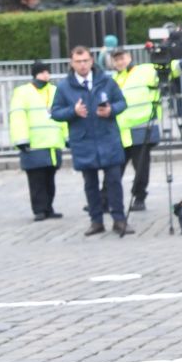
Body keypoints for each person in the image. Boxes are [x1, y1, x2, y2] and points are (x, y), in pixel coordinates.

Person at [50, 44, 129, 237]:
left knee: (114, 181)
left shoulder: (106, 81)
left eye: (85, 61)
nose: (83, 65)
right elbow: (56, 112)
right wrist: (72, 112)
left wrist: (111, 110)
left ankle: (119, 219)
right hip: (84, 141)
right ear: (72, 63)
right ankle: (96, 221)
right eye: (78, 62)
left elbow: (122, 102)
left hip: (108, 138)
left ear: (92, 61)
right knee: (90, 184)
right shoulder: (64, 86)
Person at [8, 62, 66, 221]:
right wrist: (21, 139)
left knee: (50, 179)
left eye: (47, 72)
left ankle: (49, 207)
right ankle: (39, 209)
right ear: (35, 75)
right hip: (33, 144)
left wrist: (67, 137)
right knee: (36, 180)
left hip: (52, 143)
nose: (46, 75)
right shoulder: (22, 92)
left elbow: (63, 116)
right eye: (42, 72)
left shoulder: (54, 91)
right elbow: (17, 116)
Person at [109, 47, 161, 213]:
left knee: (141, 167)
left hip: (141, 129)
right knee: (114, 168)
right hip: (121, 132)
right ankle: (106, 199)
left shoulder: (144, 71)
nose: (120, 62)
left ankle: (139, 197)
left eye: (122, 58)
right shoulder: (113, 79)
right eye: (116, 60)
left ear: (129, 57)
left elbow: (168, 69)